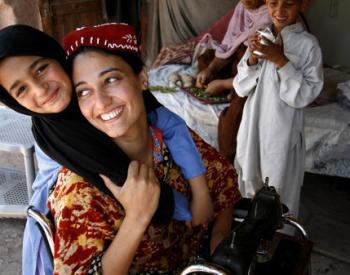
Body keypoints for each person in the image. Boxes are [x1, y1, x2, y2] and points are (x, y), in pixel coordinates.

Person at [0, 24, 213, 274]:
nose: (40, 89)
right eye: (21, 89)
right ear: (14, 102)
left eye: (41, 68)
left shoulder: (121, 109)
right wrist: (185, 211)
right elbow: (132, 184)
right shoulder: (71, 177)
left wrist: (201, 195)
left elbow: (172, 125)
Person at [233, 0, 323, 219]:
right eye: (273, 3)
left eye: (288, 4)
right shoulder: (260, 37)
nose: (279, 11)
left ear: (302, 5)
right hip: (253, 129)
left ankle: (277, 242)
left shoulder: (308, 45)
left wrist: (280, 60)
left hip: (283, 135)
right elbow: (240, 87)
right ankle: (249, 238)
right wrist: (252, 58)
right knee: (249, 188)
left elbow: (305, 94)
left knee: (280, 196)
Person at [196, 0, 271, 96]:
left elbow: (257, 72)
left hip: (250, 62)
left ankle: (229, 88)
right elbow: (229, 42)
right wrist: (210, 69)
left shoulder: (271, 14)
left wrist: (222, 85)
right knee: (205, 58)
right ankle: (213, 84)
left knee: (242, 55)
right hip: (234, 55)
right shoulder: (242, 6)